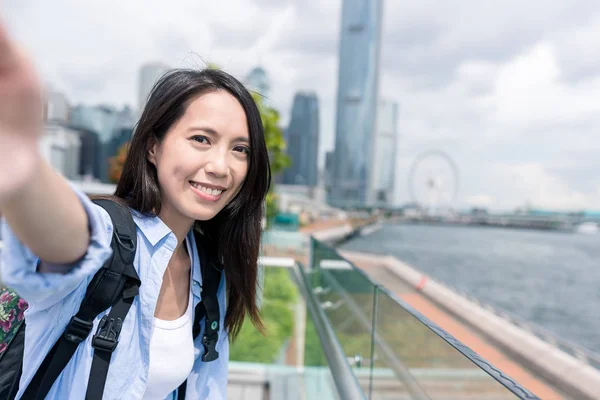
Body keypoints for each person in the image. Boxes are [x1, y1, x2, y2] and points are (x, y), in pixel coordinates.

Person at [0, 21, 270, 400]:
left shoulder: (211, 270)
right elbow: (67, 241)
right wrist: (20, 163)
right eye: (200, 139)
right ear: (152, 147)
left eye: (240, 149)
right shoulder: (109, 238)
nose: (221, 166)